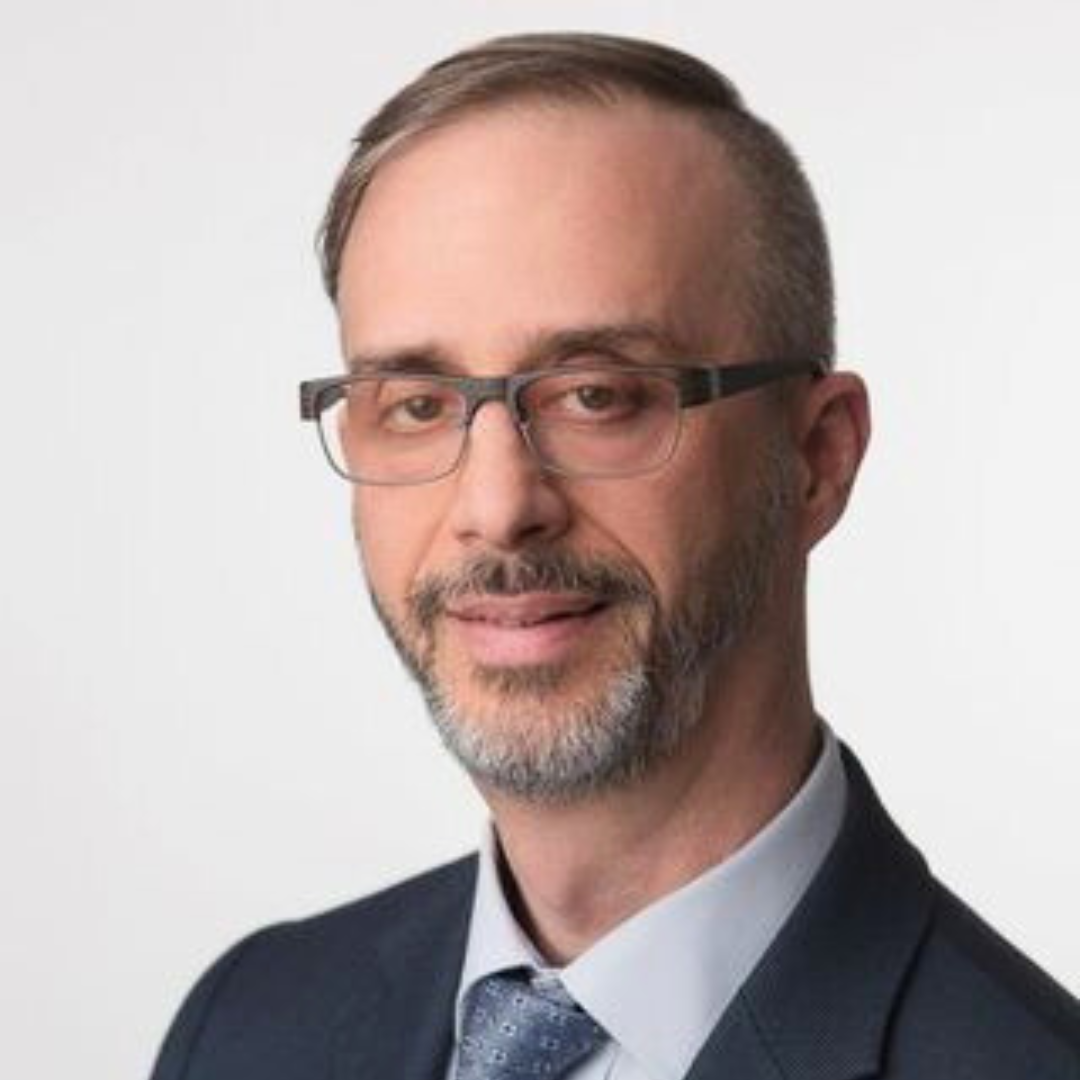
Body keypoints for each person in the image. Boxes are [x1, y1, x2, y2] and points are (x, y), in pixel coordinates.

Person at [150, 32, 1079, 1080]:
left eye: (599, 395)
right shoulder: (248, 1028)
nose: (498, 510)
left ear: (817, 458)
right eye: (416, 404)